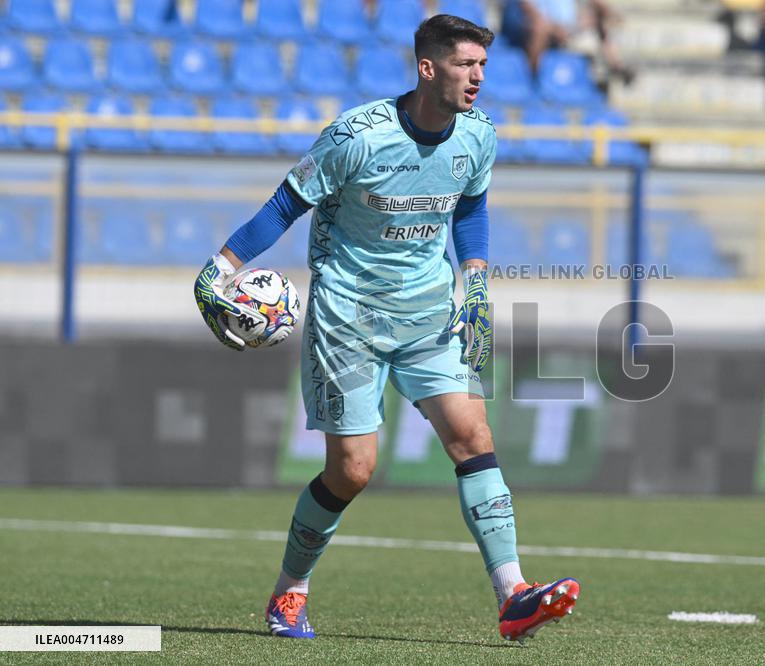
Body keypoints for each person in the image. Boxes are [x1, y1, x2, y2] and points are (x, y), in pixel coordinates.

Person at [192, 14, 580, 642]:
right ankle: (289, 592)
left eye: (483, 66)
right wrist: (220, 268)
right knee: (353, 469)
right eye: (465, 65)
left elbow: (472, 207)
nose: (478, 78)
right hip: (347, 317)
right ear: (428, 68)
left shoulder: (479, 136)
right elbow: (287, 203)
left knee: (472, 433)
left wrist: (475, 282)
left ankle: (513, 594)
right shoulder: (357, 138)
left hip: (427, 311)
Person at [501, 0, 633, 83]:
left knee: (600, 21)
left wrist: (609, 13)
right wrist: (556, 28)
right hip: (543, 27)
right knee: (540, 28)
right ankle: (532, 77)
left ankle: (616, 65)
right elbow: (530, 10)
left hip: (566, 28)